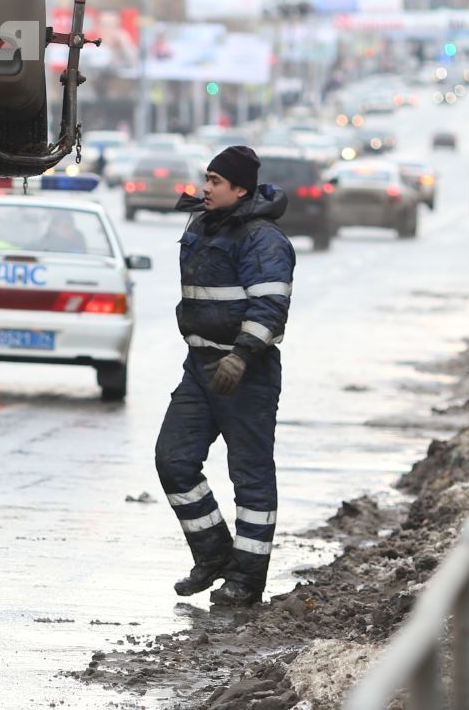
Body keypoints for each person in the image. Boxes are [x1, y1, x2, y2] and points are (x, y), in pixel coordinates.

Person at [155, 144, 295, 607]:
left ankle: (246, 579)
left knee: (250, 477)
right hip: (199, 367)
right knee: (173, 460)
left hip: (245, 372)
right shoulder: (201, 223)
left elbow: (271, 306)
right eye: (207, 178)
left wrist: (242, 355)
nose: (206, 188)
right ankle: (213, 553)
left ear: (240, 189)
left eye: (216, 181)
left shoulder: (264, 240)